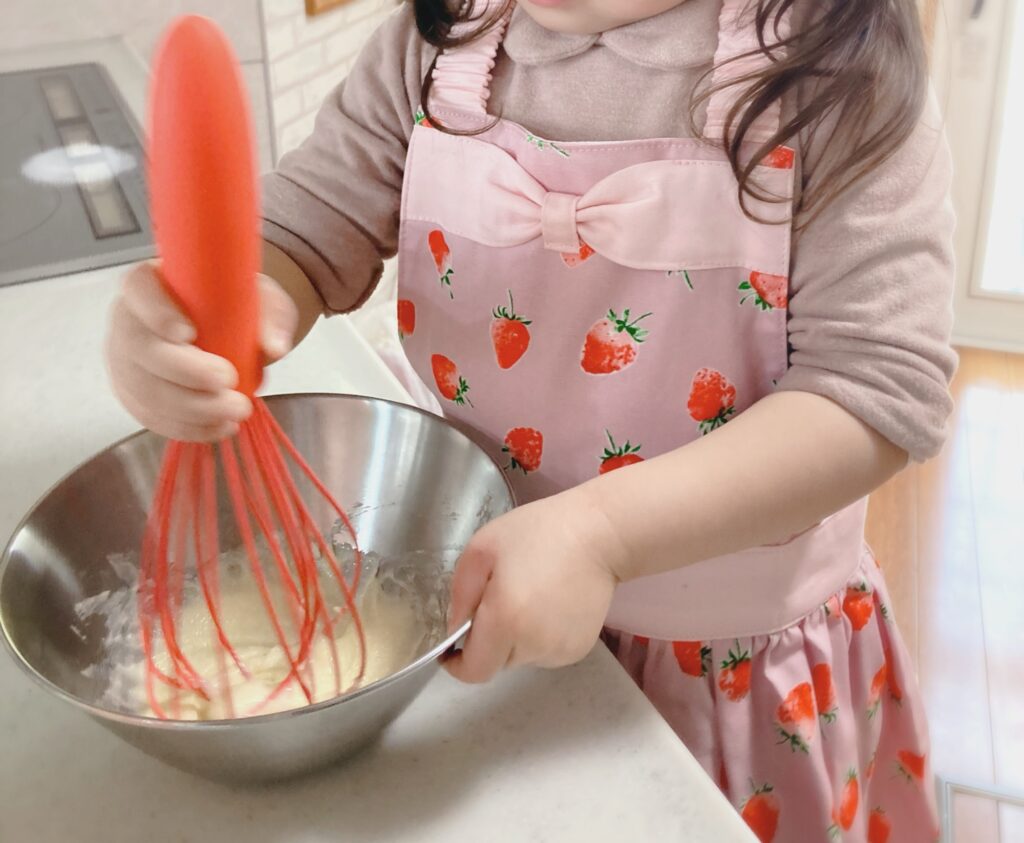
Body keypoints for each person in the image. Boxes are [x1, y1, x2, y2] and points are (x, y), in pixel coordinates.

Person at [105, 1, 955, 838]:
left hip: (729, 681)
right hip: (479, 635)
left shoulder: (839, 77)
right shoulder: (440, 42)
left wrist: (602, 535)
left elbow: (872, 390)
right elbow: (302, 229)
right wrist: (216, 320)